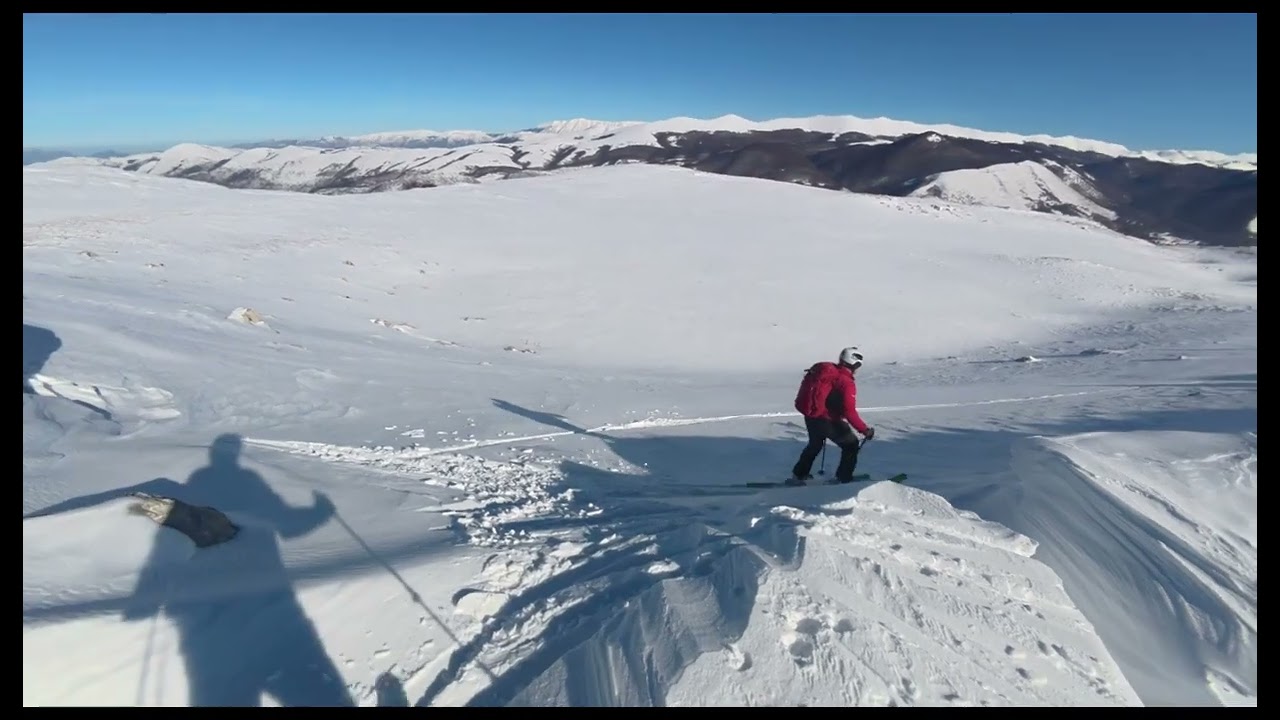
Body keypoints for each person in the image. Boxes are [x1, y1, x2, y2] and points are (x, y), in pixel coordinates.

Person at [788, 346, 875, 485]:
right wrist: (864, 430)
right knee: (851, 445)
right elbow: (849, 411)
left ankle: (799, 475)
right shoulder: (845, 382)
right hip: (827, 419)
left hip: (811, 415)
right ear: (855, 364)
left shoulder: (827, 373)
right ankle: (843, 479)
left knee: (815, 444)